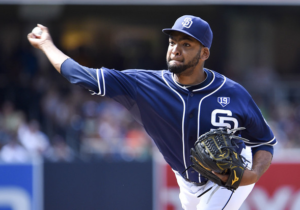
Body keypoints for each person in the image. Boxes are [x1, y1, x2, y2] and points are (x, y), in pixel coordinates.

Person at [28, 15, 277, 210]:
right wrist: (47, 45)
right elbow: (80, 75)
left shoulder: (234, 93)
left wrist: (253, 173)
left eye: (186, 44)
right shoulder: (143, 85)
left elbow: (264, 142)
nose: (176, 49)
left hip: (229, 176)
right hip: (187, 181)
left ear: (204, 54)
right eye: (172, 42)